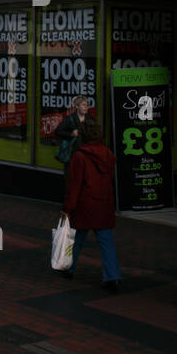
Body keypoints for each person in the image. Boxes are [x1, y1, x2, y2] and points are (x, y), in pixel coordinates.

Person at [58, 117, 122, 293]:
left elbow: (74, 186)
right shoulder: (109, 154)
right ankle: (112, 277)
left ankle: (68, 268)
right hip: (103, 204)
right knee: (107, 242)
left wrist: (67, 209)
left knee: (76, 239)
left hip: (85, 205)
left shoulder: (80, 157)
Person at [53, 95, 90, 171]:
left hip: (86, 153)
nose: (86, 107)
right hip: (72, 153)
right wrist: (71, 134)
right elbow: (58, 131)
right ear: (77, 106)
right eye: (83, 105)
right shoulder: (70, 119)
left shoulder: (89, 119)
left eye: (87, 105)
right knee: (71, 176)